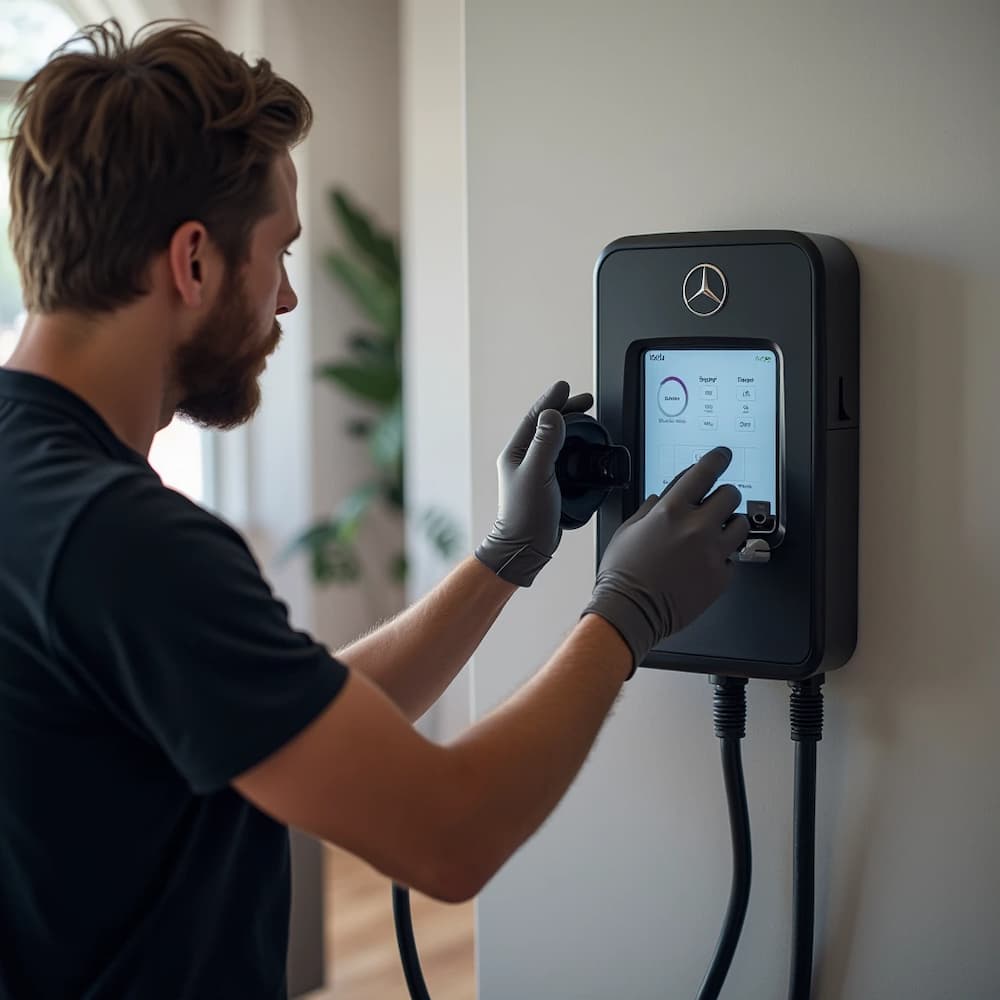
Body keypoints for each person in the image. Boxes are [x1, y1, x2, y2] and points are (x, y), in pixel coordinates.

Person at [0, 19, 749, 1000]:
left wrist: (504, 558)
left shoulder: (43, 495)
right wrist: (627, 612)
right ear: (193, 261)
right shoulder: (124, 540)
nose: (287, 298)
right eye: (279, 252)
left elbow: (284, 714)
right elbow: (449, 833)